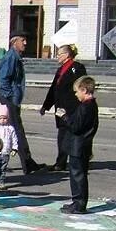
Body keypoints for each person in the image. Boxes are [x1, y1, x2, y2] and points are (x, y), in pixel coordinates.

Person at [0, 34, 46, 174]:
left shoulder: (15, 56)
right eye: (22, 40)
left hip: (11, 99)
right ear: (14, 42)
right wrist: (11, 97)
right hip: (10, 100)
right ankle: (27, 163)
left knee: (15, 130)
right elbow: (3, 79)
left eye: (25, 39)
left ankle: (26, 162)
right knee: (17, 131)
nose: (25, 43)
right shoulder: (11, 57)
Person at [40, 44, 87, 172]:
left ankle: (70, 162)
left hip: (72, 109)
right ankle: (61, 162)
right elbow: (54, 89)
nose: (57, 57)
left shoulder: (77, 67)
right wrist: (46, 106)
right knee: (62, 136)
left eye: (59, 54)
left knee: (71, 136)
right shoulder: (61, 69)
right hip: (61, 109)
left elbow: (83, 87)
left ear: (66, 55)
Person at [58, 75, 98, 215]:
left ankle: (79, 204)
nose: (75, 95)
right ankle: (77, 201)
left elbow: (76, 127)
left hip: (78, 146)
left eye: (77, 92)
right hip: (82, 146)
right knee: (77, 175)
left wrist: (64, 117)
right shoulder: (90, 105)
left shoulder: (86, 107)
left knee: (78, 175)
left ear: (84, 90)